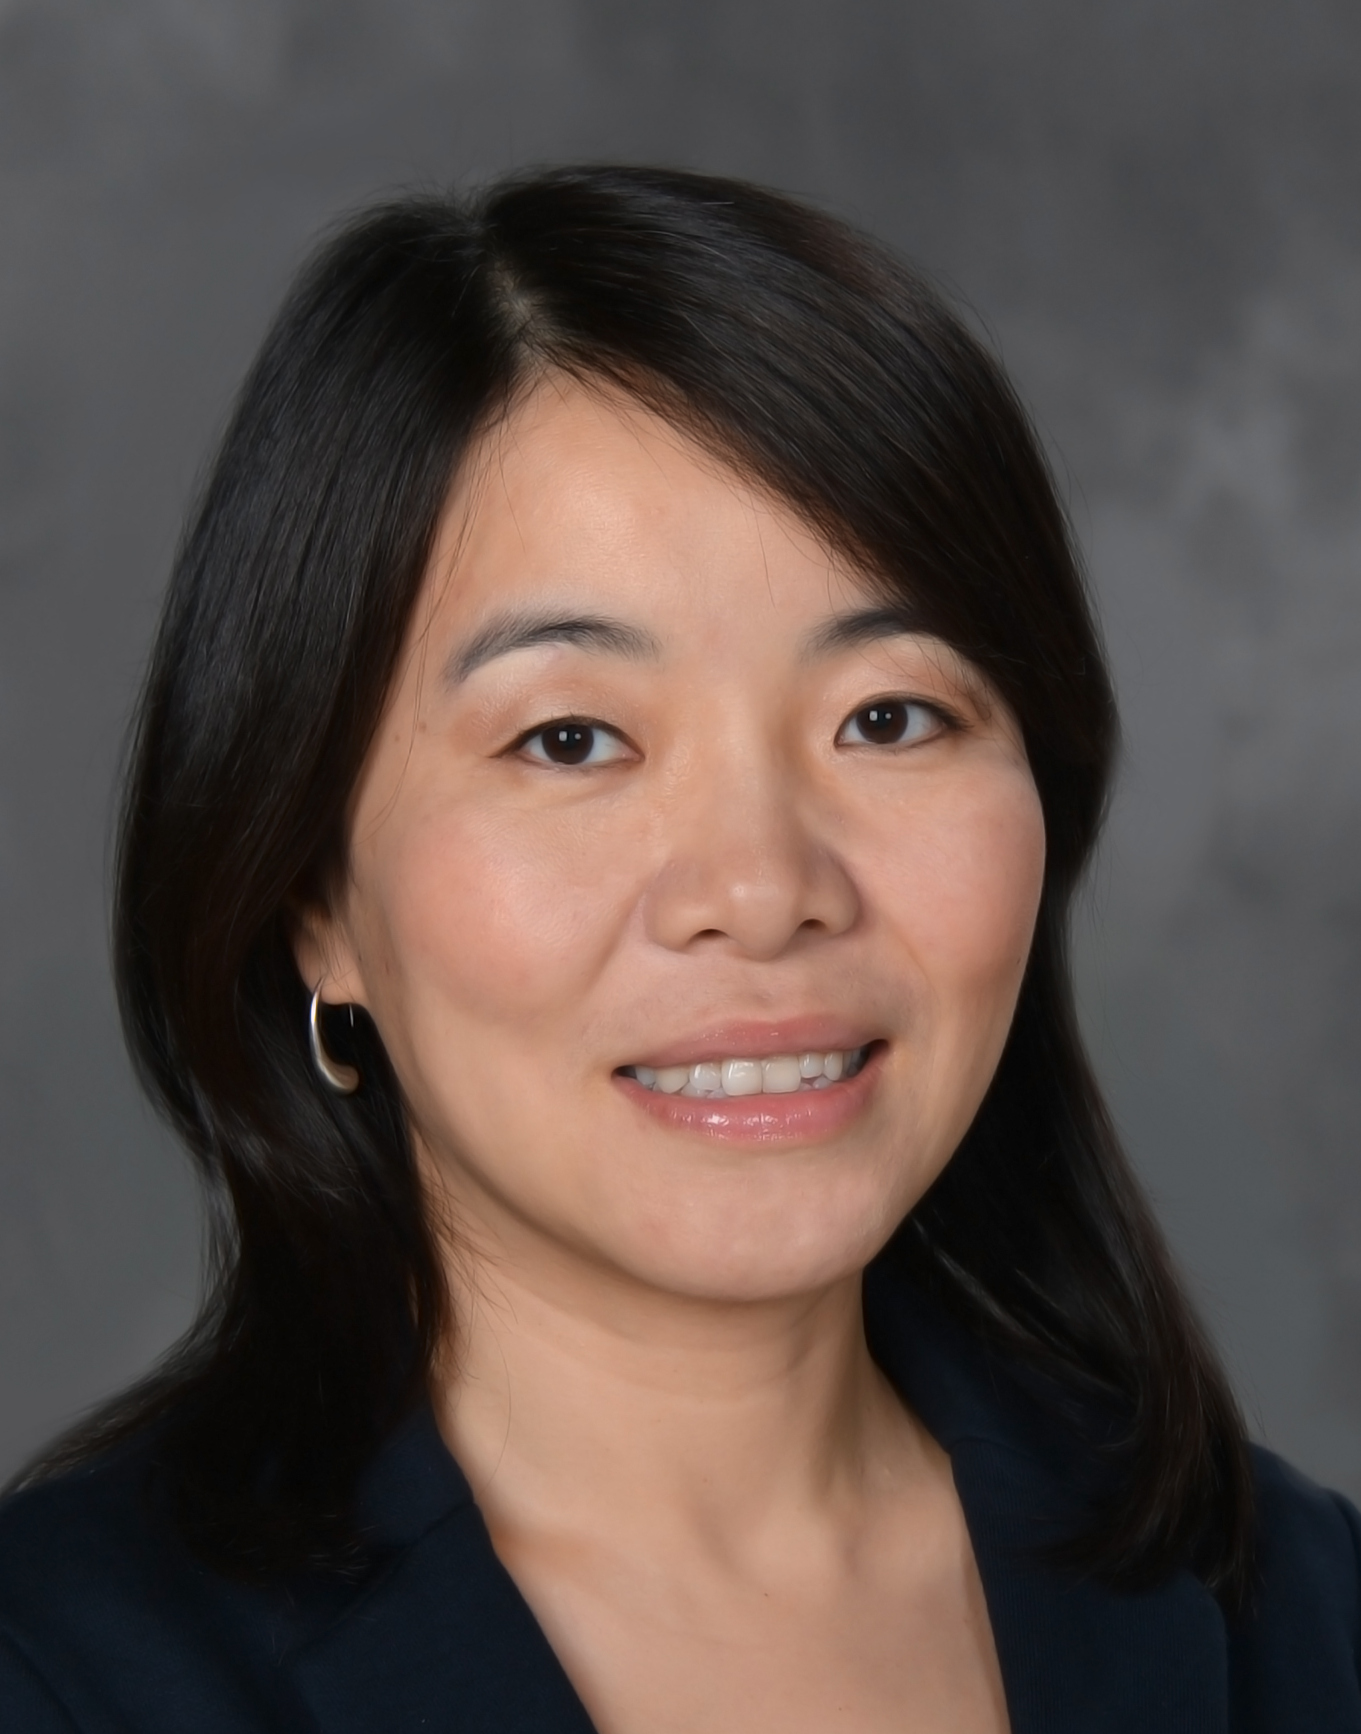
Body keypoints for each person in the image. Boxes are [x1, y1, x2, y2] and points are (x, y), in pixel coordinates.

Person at [0, 165, 1356, 1734]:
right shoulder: (67, 1675)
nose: (763, 886)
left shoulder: (1292, 1617)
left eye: (888, 716)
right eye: (572, 738)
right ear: (313, 896)